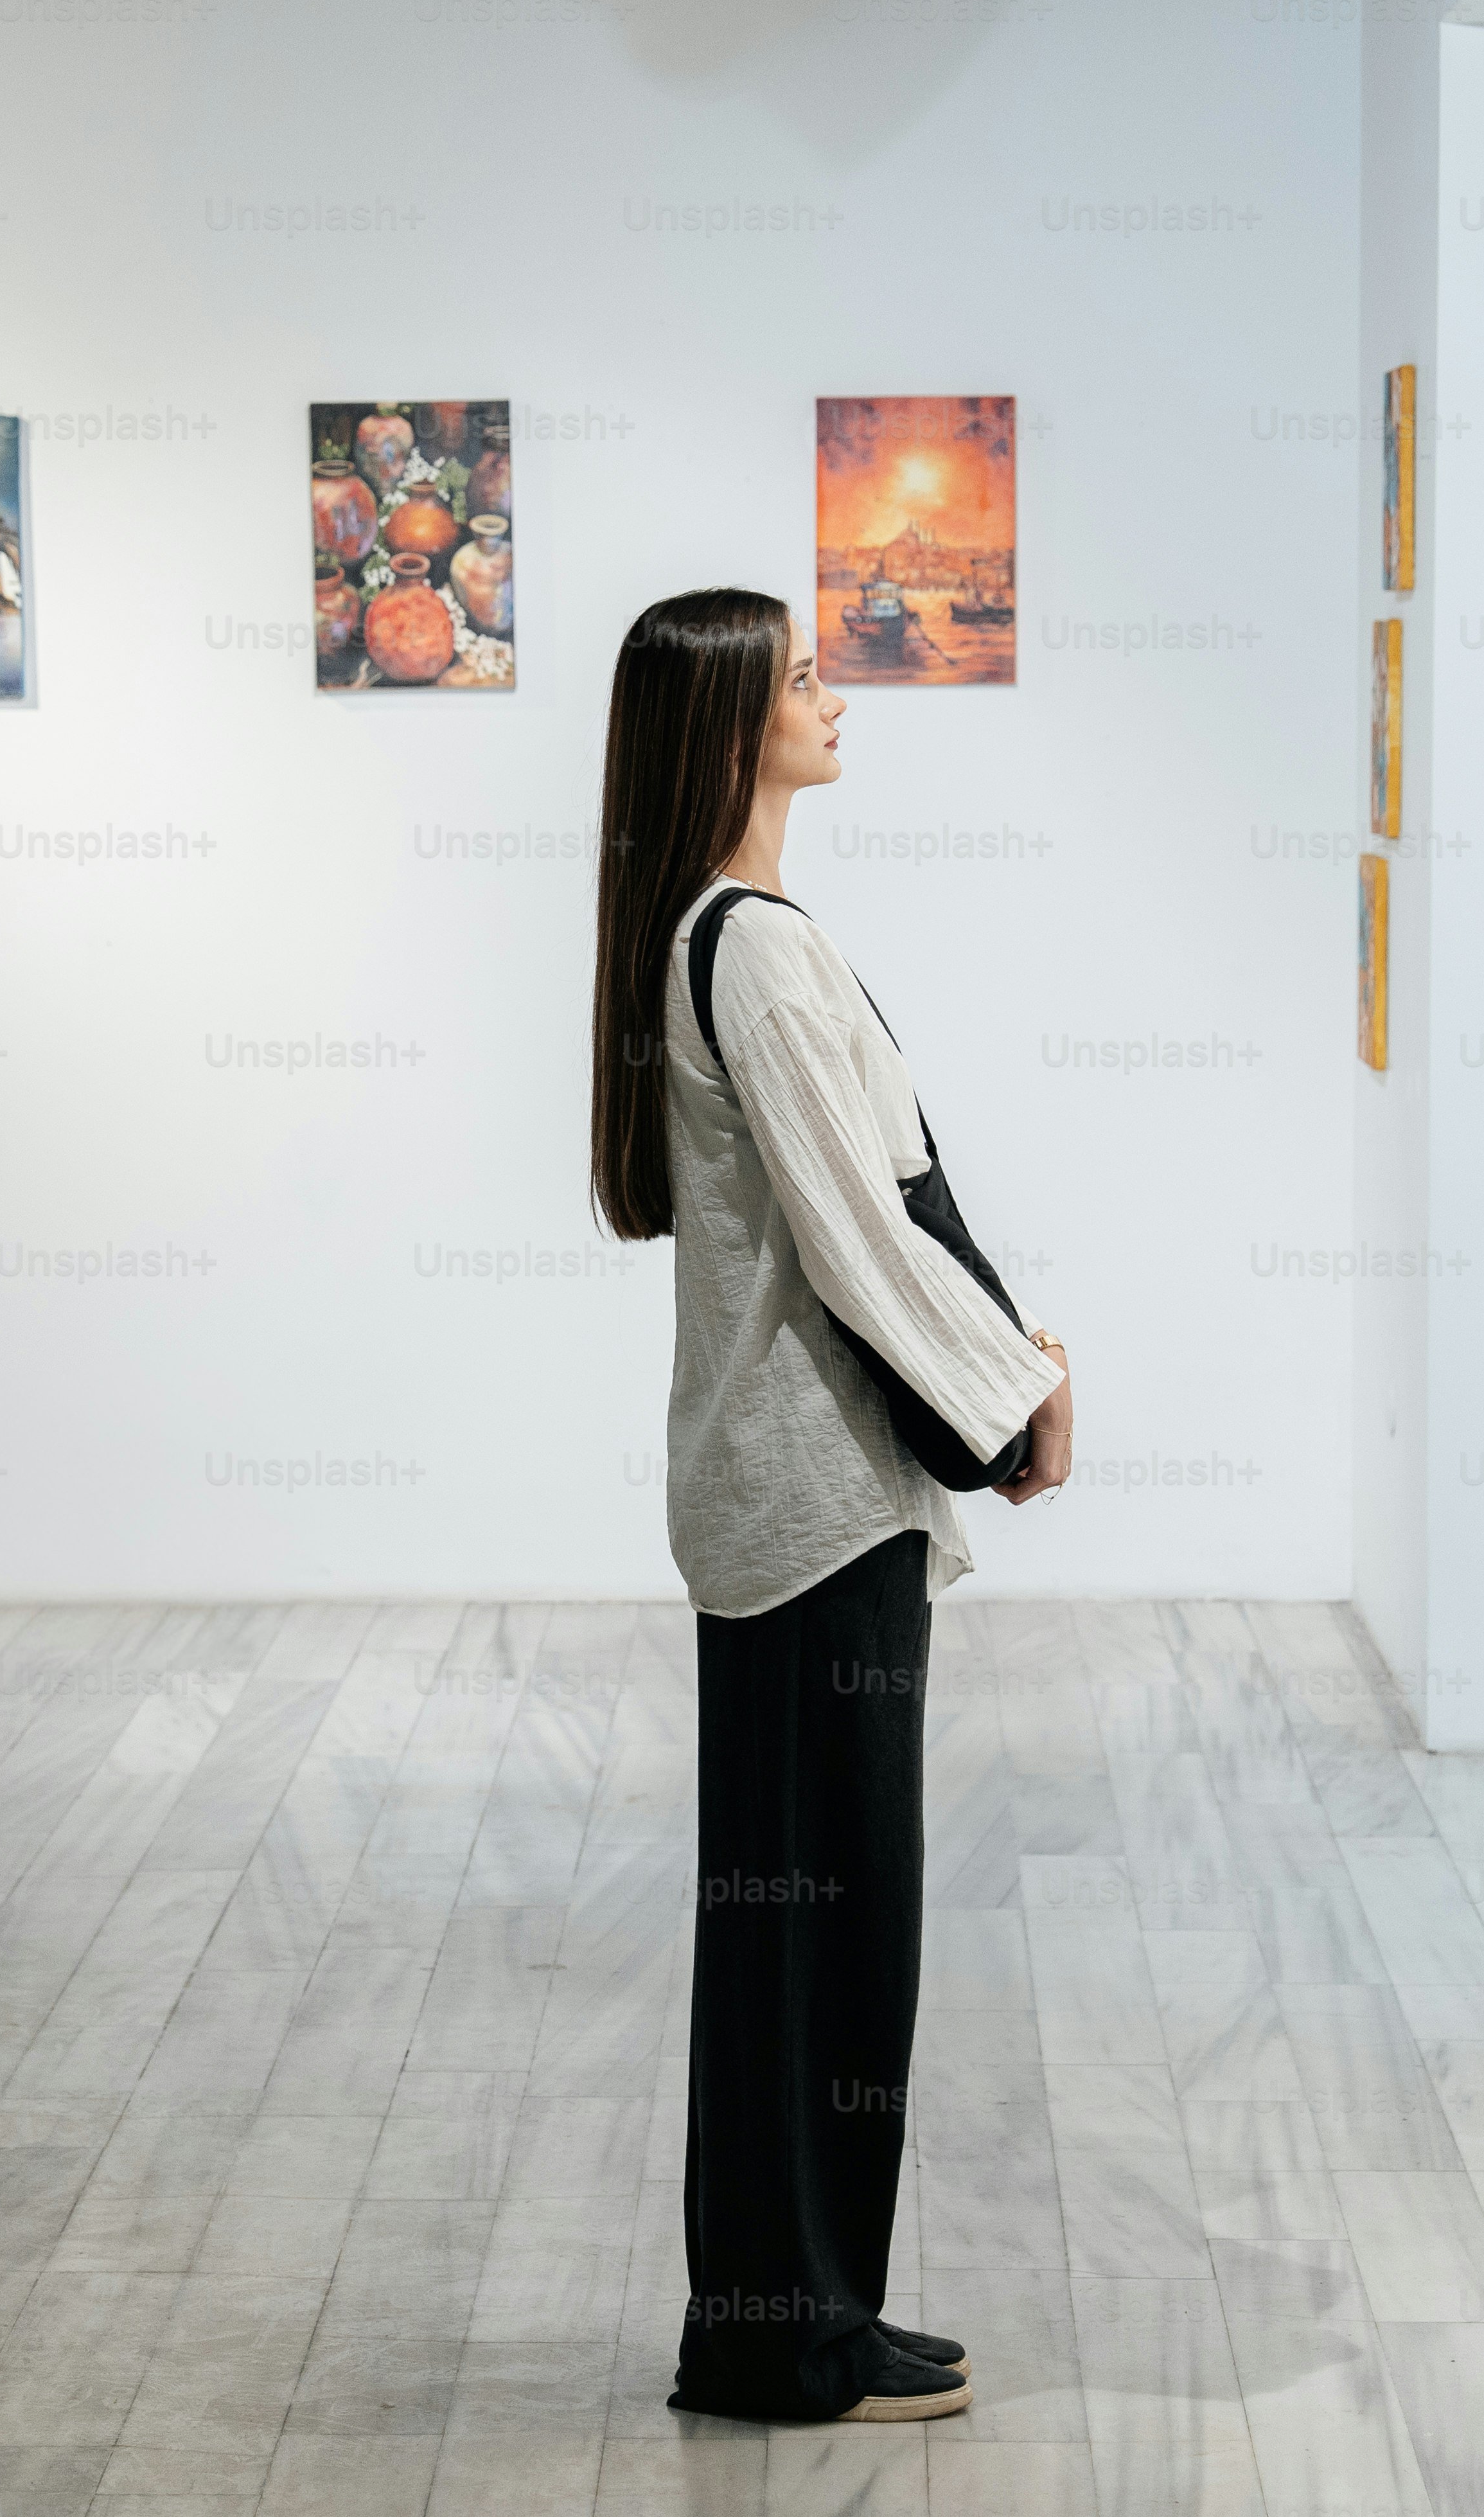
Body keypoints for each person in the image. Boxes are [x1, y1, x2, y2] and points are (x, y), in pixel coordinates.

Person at [587, 585, 1076, 2426]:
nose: (831, 689)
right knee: (823, 1928)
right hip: (810, 1508)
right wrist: (1016, 1393)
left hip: (784, 1500)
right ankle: (783, 2333)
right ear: (728, 730)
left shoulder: (712, 932)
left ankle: (793, 2310)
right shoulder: (759, 953)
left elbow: (853, 1220)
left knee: (803, 1926)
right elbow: (860, 1239)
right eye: (800, 675)